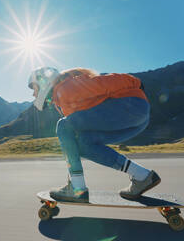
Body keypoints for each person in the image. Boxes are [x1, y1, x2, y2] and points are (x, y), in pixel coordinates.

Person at [28, 67, 161, 203]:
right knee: (84, 144)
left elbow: (106, 82)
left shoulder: (67, 87)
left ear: (44, 82)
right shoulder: (62, 99)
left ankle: (77, 188)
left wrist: (135, 82)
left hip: (129, 106)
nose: (33, 94)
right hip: (134, 119)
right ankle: (142, 176)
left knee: (63, 125)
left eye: (34, 88)